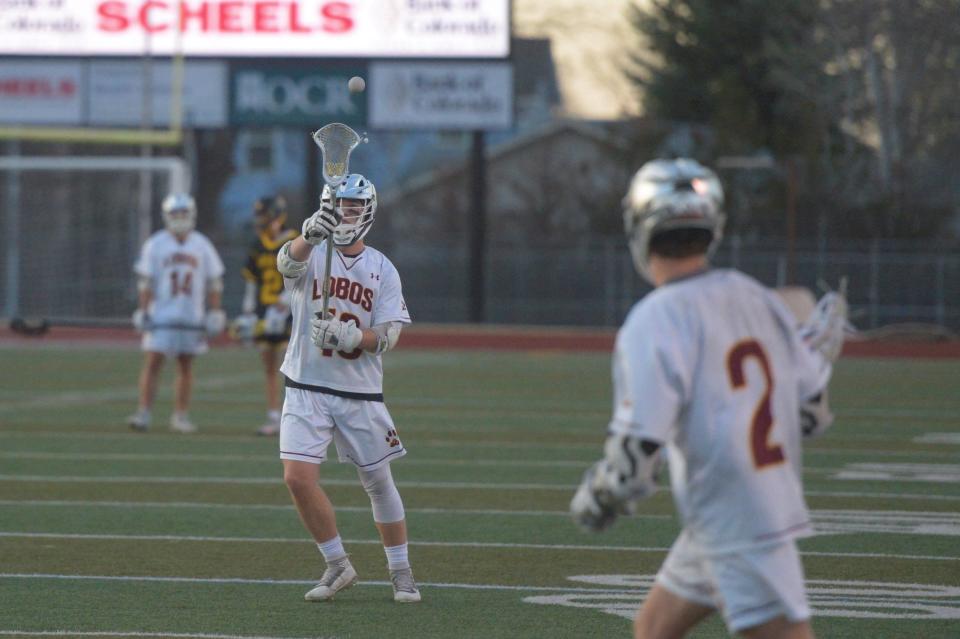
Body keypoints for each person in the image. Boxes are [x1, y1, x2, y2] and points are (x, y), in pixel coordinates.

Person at [570, 158, 847, 639]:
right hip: (738, 510)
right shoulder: (753, 295)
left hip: (737, 520)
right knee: (653, 627)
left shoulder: (655, 318)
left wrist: (599, 494)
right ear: (712, 225)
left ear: (640, 227)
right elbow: (812, 414)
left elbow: (638, 456)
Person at [274, 173, 419, 603]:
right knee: (297, 478)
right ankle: (337, 564)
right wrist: (306, 235)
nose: (346, 214)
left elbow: (390, 335)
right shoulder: (311, 250)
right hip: (305, 386)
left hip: (358, 391)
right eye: (340, 206)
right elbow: (285, 264)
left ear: (368, 211)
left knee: (377, 482)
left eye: (354, 206)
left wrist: (354, 338)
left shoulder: (381, 268)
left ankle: (401, 570)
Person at [127, 193, 226, 433]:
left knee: (185, 365)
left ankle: (180, 416)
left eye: (183, 214)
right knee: (153, 362)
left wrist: (214, 311)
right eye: (175, 214)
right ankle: (144, 413)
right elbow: (146, 282)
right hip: (161, 314)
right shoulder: (156, 243)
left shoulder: (201, 244)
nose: (180, 219)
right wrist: (142, 309)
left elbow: (214, 281)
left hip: (191, 315)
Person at [234, 196, 299, 436]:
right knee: (269, 365)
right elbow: (252, 280)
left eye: (264, 215)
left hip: (289, 311)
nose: (261, 221)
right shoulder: (257, 244)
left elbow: (304, 278)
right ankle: (274, 416)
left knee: (292, 366)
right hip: (264, 310)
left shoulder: (294, 240)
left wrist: (285, 303)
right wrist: (249, 311)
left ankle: (295, 416)